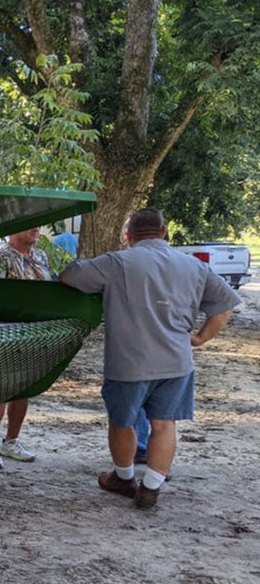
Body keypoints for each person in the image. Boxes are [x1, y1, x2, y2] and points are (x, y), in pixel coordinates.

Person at [60, 208, 240, 508]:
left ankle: (124, 477)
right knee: (164, 424)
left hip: (128, 362)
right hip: (176, 361)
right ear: (164, 231)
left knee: (122, 422)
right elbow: (224, 307)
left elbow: (69, 276)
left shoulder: (117, 261)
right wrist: (199, 338)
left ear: (128, 235)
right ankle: (151, 488)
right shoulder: (193, 266)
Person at [0, 227, 50, 468]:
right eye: (31, 226)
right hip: (8, 333)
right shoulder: (2, 258)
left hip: (34, 332)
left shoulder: (41, 257)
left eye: (38, 227)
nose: (36, 231)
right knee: (1, 388)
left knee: (24, 388)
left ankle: (11, 441)